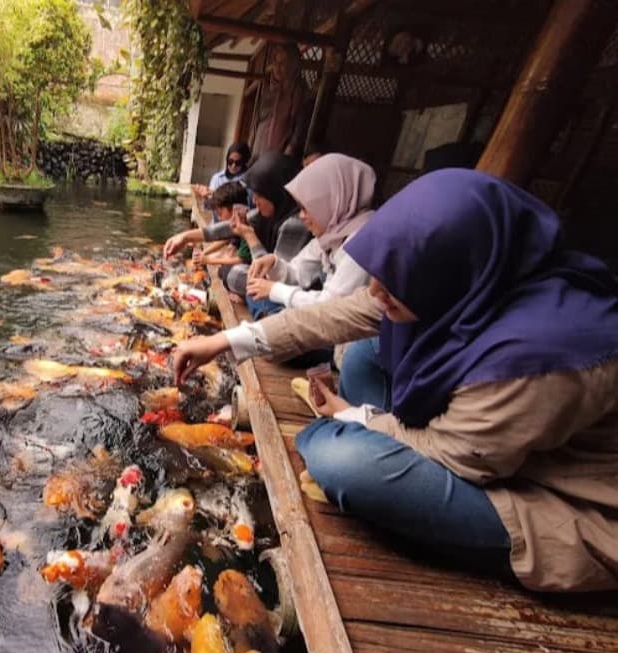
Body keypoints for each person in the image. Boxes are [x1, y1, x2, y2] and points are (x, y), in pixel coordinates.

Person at [173, 169, 618, 592]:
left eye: (391, 282)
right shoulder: (472, 283)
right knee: (370, 347)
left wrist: (354, 416)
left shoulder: (533, 361)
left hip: (550, 508)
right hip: (487, 443)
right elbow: (344, 313)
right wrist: (227, 341)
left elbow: (449, 454)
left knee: (336, 458)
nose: (374, 291)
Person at [245, 154, 377, 325]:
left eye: (307, 208)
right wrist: (274, 263)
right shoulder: (331, 233)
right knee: (254, 291)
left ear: (333, 201)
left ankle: (270, 325)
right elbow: (298, 272)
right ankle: (270, 323)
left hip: (335, 333)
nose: (302, 216)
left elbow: (331, 309)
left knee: (259, 294)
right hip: (311, 311)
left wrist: (275, 290)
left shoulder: (360, 242)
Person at [166, 152, 310, 301]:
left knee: (234, 274)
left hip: (285, 291)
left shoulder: (294, 224)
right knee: (229, 272)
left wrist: (249, 236)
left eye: (259, 195)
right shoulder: (265, 214)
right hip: (264, 280)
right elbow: (224, 229)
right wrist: (184, 237)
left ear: (275, 193)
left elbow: (275, 276)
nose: (254, 200)